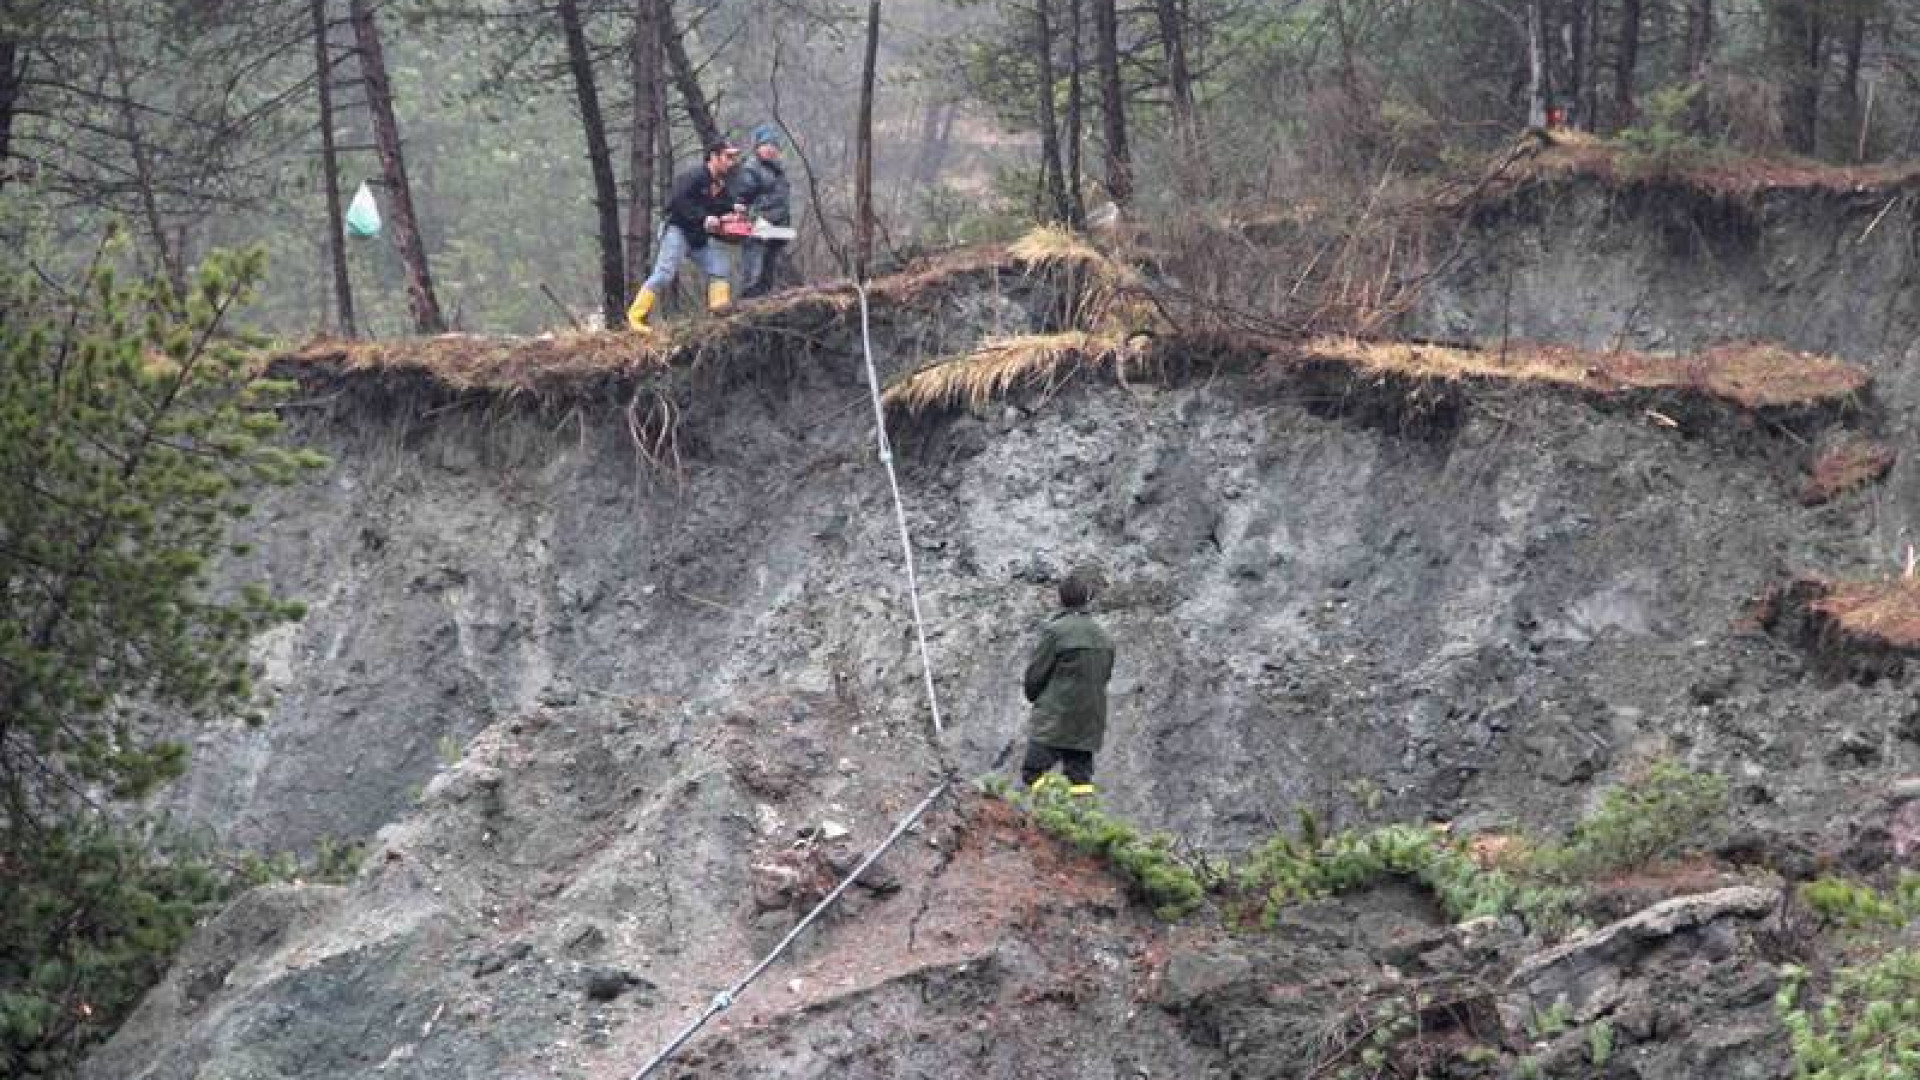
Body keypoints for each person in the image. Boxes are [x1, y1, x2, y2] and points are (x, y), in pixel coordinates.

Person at [627, 139, 745, 332]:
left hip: (698, 237)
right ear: (714, 157)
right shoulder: (694, 176)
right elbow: (678, 202)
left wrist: (732, 209)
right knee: (664, 274)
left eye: (733, 157)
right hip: (677, 231)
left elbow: (721, 204)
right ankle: (635, 317)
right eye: (728, 157)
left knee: (720, 265)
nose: (732, 162)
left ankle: (719, 309)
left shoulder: (719, 183)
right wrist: (704, 217)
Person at [1019, 572, 1116, 793]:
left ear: (1061, 598)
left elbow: (1036, 675)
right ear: (1088, 599)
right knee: (1080, 781)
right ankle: (1082, 822)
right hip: (1089, 721)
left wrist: (1034, 697)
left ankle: (1050, 814)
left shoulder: (1056, 632)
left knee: (1033, 773)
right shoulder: (1104, 637)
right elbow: (1105, 676)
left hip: (1055, 718)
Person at [730, 124, 793, 299]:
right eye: (766, 145)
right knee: (753, 274)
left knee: (768, 275)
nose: (771, 149)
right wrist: (750, 220)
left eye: (774, 146)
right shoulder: (751, 169)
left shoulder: (777, 171)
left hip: (776, 228)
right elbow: (741, 200)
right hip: (757, 228)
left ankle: (762, 305)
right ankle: (747, 307)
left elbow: (782, 201)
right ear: (757, 147)